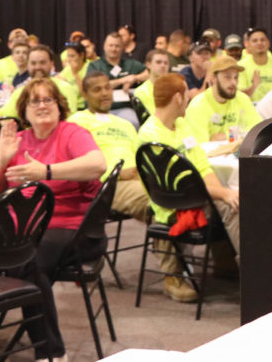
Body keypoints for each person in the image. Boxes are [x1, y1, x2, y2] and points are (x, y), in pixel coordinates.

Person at [0, 76, 106, 362]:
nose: (42, 105)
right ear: (24, 110)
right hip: (26, 229)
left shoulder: (72, 133)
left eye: (48, 100)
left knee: (26, 261)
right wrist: (1, 158)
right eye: (35, 101)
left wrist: (46, 171)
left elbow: (98, 165)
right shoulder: (17, 141)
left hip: (73, 226)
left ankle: (50, 352)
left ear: (60, 106)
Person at [69, 72, 197, 302]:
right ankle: (172, 276)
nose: (105, 93)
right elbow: (79, 163)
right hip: (110, 183)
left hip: (140, 177)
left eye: (107, 87)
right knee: (163, 199)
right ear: (84, 94)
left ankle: (214, 261)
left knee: (186, 190)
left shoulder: (125, 124)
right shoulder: (78, 122)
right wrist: (117, 173)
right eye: (97, 89)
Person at [134, 74, 240, 254]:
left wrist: (224, 193)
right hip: (175, 205)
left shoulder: (182, 124)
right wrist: (223, 194)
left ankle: (232, 264)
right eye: (186, 96)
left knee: (237, 197)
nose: (188, 101)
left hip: (196, 195)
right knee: (235, 207)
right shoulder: (150, 135)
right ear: (177, 98)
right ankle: (250, 273)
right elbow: (180, 186)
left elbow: (202, 165)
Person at [184, 55, 262, 145]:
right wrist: (239, 134)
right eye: (227, 77)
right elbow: (202, 146)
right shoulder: (198, 106)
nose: (233, 82)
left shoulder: (242, 98)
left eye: (236, 77)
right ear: (213, 78)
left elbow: (257, 130)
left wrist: (227, 135)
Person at [0, 45, 78, 119]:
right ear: (27, 65)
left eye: (42, 63)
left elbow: (69, 119)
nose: (38, 67)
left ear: (52, 64)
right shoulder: (21, 90)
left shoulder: (65, 88)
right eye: (33, 63)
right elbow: (1, 116)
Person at [87, 32, 146, 126]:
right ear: (104, 46)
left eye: (117, 46)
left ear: (122, 48)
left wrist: (134, 78)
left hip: (125, 109)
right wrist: (123, 80)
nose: (114, 49)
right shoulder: (95, 66)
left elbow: (148, 72)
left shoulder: (131, 64)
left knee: (133, 122)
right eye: (111, 45)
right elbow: (95, 84)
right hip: (100, 108)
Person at [237, 27, 272, 103]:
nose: (259, 43)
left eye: (262, 40)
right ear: (247, 45)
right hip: (251, 109)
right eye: (255, 41)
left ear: (268, 43)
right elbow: (239, 97)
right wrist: (253, 87)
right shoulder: (240, 66)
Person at [133, 48, 170, 117]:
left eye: (166, 63)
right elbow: (154, 116)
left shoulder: (174, 89)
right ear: (148, 65)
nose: (163, 65)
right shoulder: (140, 92)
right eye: (158, 62)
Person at [56, 41, 88, 110]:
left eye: (72, 56)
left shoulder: (89, 67)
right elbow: (57, 79)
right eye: (68, 56)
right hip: (69, 105)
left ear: (82, 55)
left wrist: (75, 73)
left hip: (83, 107)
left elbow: (84, 94)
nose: (69, 59)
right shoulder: (68, 68)